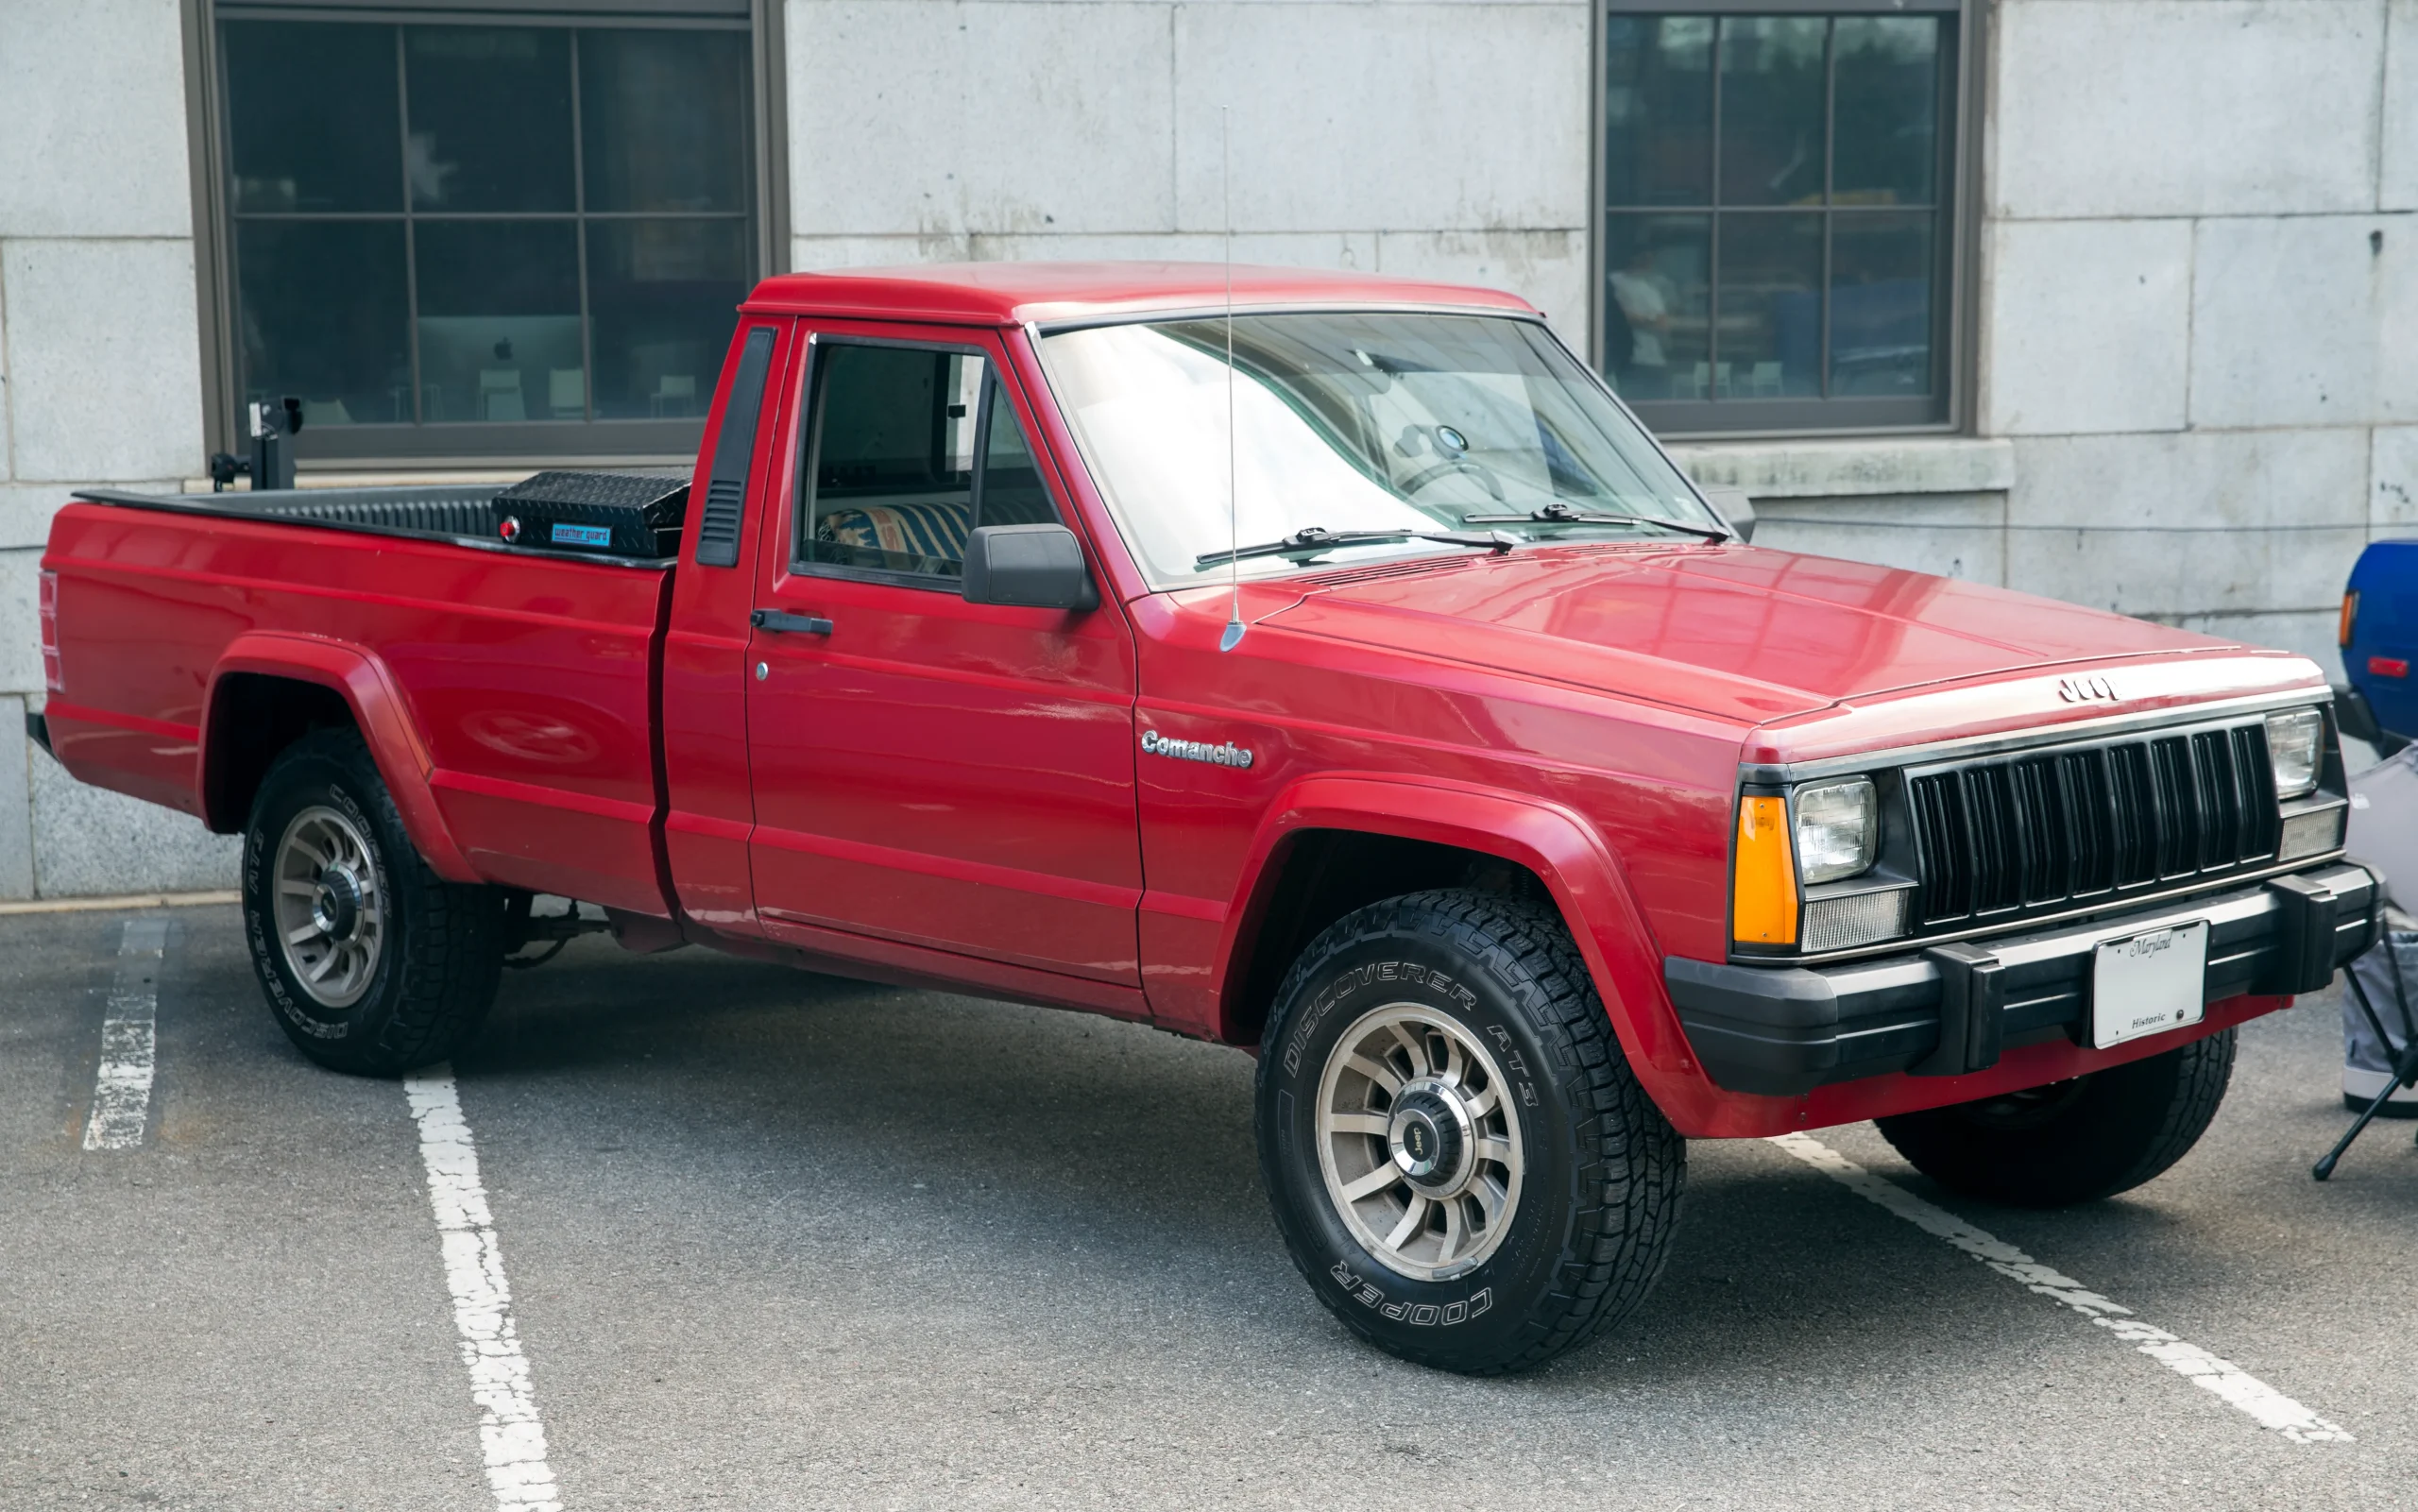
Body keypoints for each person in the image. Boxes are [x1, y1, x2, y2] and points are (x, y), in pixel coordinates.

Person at [1607, 247, 1674, 398]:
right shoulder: (1614, 280)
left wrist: (1639, 320)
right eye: (1644, 259)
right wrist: (1630, 320)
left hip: (1653, 359)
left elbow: (1663, 324)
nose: (1647, 264)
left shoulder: (1651, 288)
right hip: (1632, 358)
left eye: (1649, 260)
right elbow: (1615, 314)